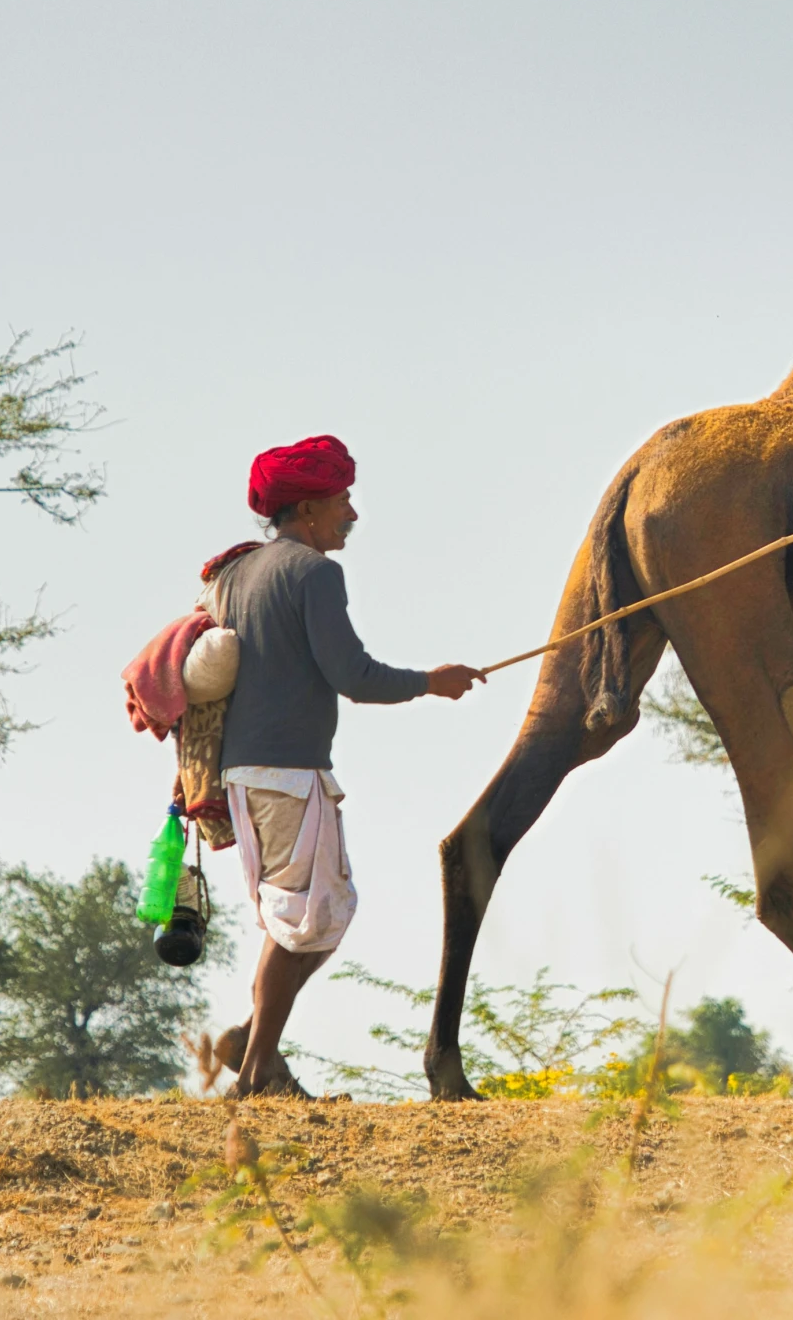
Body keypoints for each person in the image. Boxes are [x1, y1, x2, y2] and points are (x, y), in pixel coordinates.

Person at [205, 435, 483, 1098]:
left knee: (314, 917)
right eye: (341, 499)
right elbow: (352, 675)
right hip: (285, 774)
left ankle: (254, 1041)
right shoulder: (315, 573)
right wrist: (429, 681)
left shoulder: (236, 574)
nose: (351, 511)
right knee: (303, 920)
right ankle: (256, 1071)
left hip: (247, 775)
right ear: (305, 507)